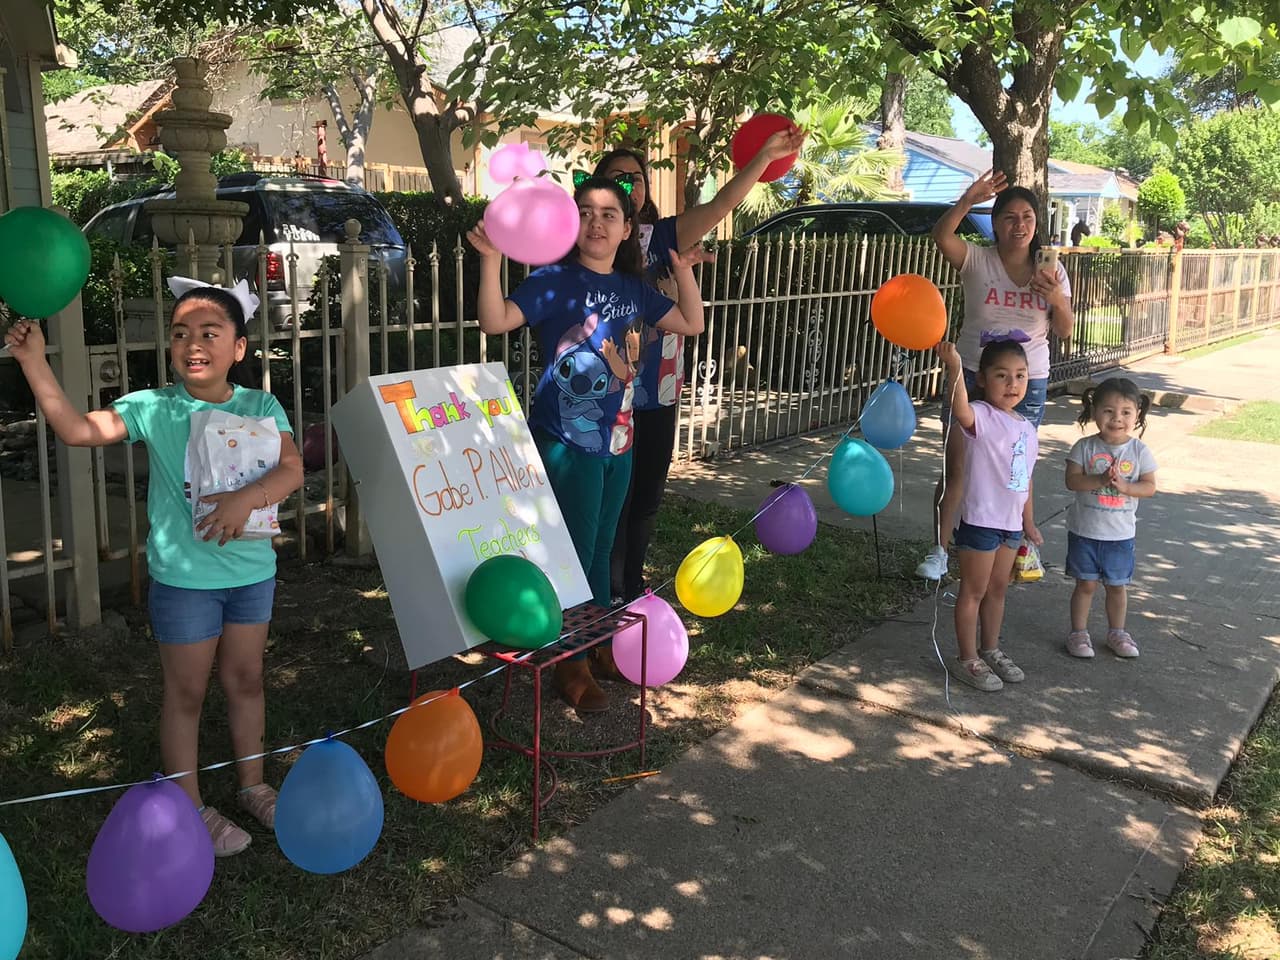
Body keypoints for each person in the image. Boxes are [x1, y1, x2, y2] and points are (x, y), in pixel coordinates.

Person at [4, 278, 304, 856]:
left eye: (210, 333)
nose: (194, 342)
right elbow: (75, 428)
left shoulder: (260, 405)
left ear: (238, 348)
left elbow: (291, 468)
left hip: (251, 575)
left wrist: (249, 499)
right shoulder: (154, 407)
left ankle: (253, 783)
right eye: (181, 333)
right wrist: (34, 362)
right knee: (185, 692)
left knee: (246, 680)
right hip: (186, 583)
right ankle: (189, 806)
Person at [468, 175, 704, 712]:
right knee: (574, 553)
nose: (596, 222)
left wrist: (685, 271)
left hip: (619, 443)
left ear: (627, 230)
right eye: (586, 212)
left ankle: (594, 643)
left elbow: (691, 321)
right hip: (566, 444)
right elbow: (495, 319)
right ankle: (571, 664)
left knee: (601, 547)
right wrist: (488, 259)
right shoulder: (553, 281)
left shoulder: (635, 289)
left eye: (609, 214)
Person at [593, 126, 806, 602]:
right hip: (607, 396)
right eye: (617, 177)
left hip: (658, 389)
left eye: (637, 177)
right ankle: (603, 590)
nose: (630, 184)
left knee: (646, 497)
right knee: (612, 502)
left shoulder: (664, 235)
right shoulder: (587, 235)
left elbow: (721, 206)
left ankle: (631, 586)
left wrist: (762, 158)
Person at [916, 170, 1075, 581]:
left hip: (1028, 380)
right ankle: (940, 549)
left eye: (1027, 217)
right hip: (970, 374)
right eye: (1008, 217)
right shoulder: (977, 259)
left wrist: (1056, 298)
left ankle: (1019, 544)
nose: (1018, 225)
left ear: (1037, 224)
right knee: (958, 467)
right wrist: (970, 198)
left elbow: (1065, 329)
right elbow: (941, 236)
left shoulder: (1053, 272)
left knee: (1015, 469)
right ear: (996, 222)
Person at [935, 336, 1039, 691]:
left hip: (1010, 527)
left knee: (998, 591)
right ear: (982, 378)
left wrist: (1028, 522)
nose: (1013, 384)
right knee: (973, 591)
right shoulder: (981, 416)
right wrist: (953, 369)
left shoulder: (1027, 428)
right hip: (981, 521)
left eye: (1021, 376)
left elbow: (1025, 479)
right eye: (1002, 376)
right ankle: (967, 659)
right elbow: (960, 409)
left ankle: (990, 648)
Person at [1064, 378, 1158, 659]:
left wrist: (1126, 487)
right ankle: (1078, 633)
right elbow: (1072, 481)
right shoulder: (1084, 447)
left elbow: (1149, 486)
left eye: (1126, 412)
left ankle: (1117, 632)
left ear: (1137, 415)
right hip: (1085, 531)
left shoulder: (1139, 451)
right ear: (1094, 412)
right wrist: (1100, 479)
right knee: (1085, 585)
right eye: (1108, 411)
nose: (1117, 418)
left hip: (1120, 535)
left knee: (1117, 587)